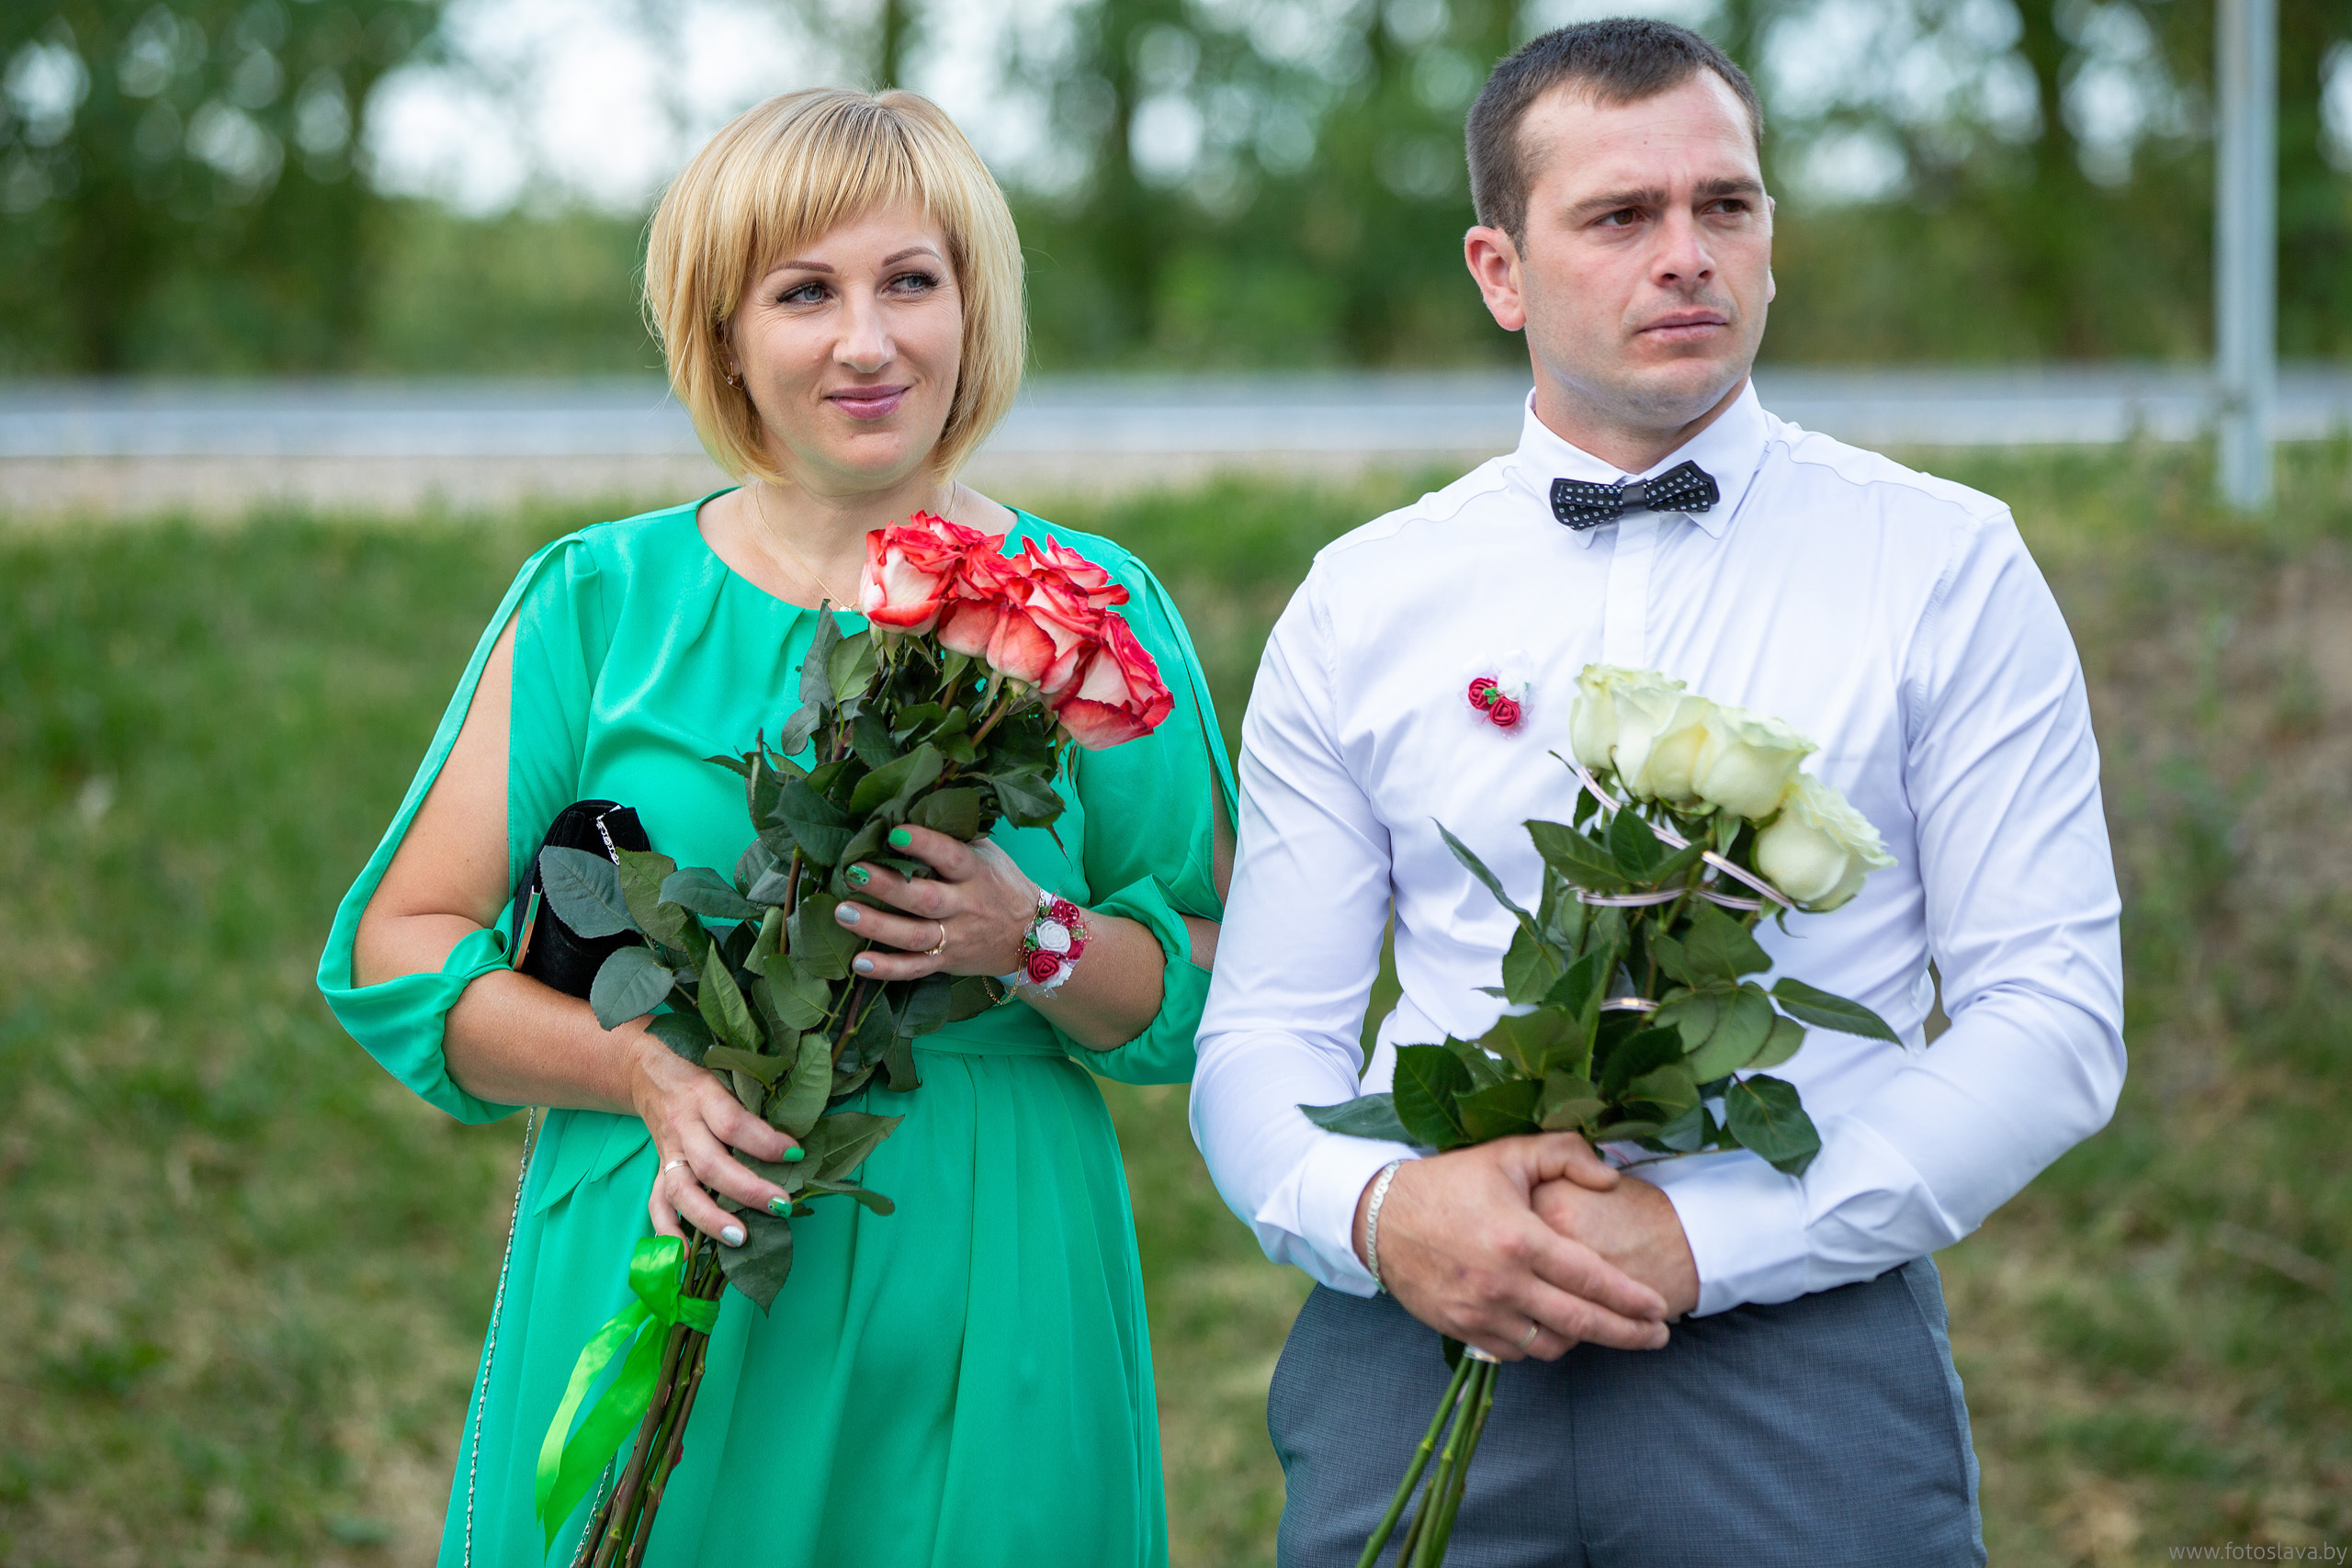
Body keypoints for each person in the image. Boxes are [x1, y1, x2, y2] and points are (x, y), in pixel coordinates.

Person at [1193, 19, 2122, 1567]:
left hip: (1803, 1361)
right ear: (1500, 271)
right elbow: (1268, 1031)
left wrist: (1705, 1240)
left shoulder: (1946, 563)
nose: (1686, 254)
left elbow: (2052, 1015)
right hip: (1417, 1342)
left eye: (1727, 206)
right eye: (1622, 217)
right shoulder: (1364, 599)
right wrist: (1377, 1215)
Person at [319, 88, 1233, 1568]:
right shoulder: (595, 605)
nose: (866, 342)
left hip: (991, 1269)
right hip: (670, 1235)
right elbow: (403, 950)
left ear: (972, 307)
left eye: (910, 282)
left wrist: (1037, 939)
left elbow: (1211, 969)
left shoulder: (1086, 611)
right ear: (724, 333)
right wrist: (641, 1068)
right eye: (805, 292)